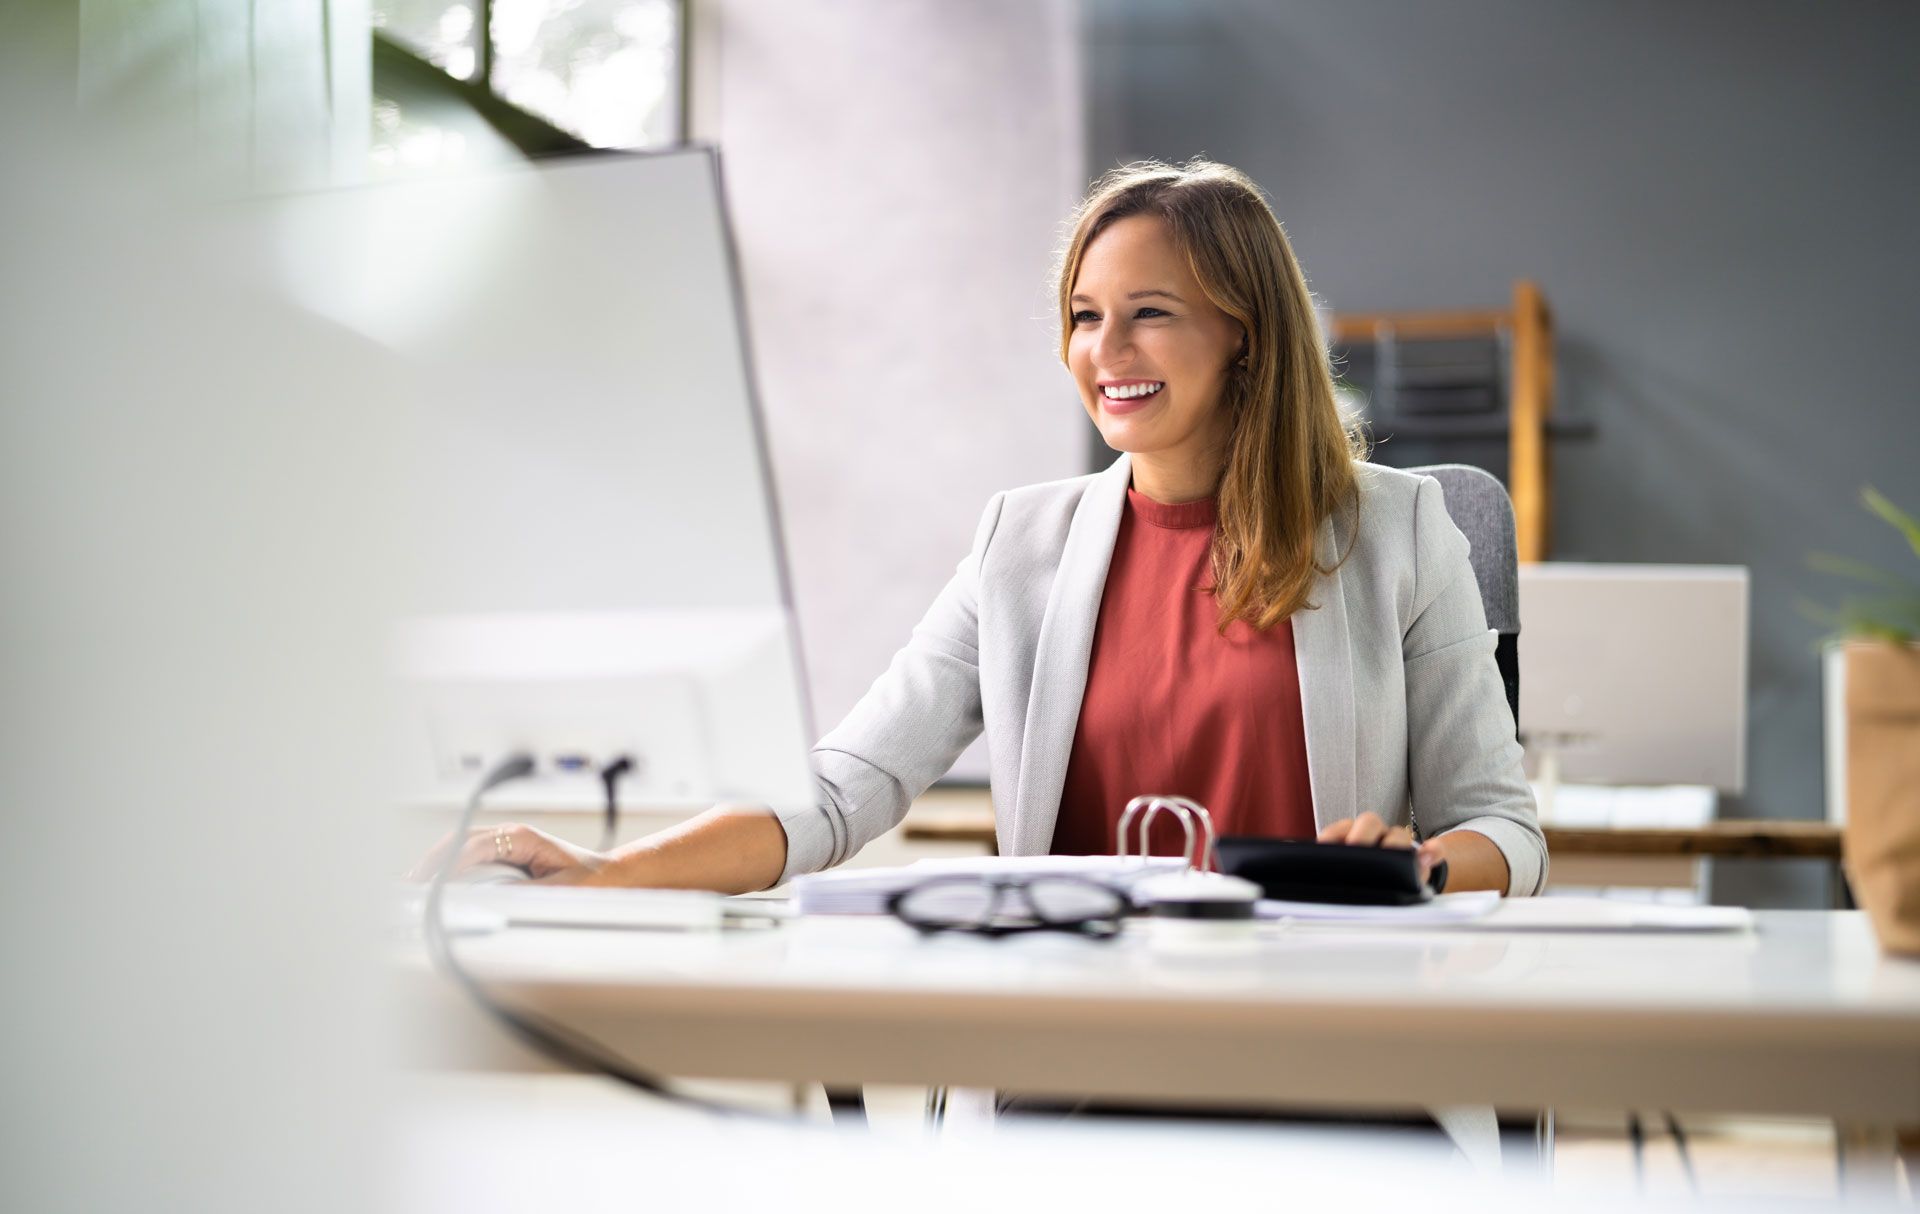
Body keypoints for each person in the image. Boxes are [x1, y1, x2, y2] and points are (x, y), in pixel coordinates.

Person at [437, 158, 1546, 898]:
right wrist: (604, 873)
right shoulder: (1022, 542)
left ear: (1244, 335)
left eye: (1149, 314)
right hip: (1071, 1039)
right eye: (1082, 316)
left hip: (1328, 1029)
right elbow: (839, 790)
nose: (1104, 350)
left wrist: (1421, 866)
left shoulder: (1401, 532)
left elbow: (1507, 828)